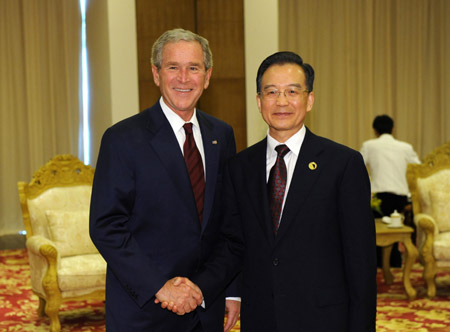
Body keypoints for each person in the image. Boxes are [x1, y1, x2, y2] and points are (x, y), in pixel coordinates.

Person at [169, 51, 376, 331]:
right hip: (262, 317)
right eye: (271, 92)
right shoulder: (240, 167)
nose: (281, 102)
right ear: (258, 101)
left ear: (310, 99)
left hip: (325, 319)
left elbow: (360, 261)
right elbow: (233, 244)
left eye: (292, 91)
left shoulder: (343, 164)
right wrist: (204, 287)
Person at [89, 28, 240, 332]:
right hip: (144, 309)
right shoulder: (122, 139)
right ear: (156, 74)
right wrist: (160, 286)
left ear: (207, 76)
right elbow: (106, 226)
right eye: (173, 67)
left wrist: (230, 288)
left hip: (205, 305)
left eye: (193, 68)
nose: (183, 78)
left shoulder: (221, 135)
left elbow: (229, 222)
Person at [360, 114, 420, 267]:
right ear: (393, 129)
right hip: (400, 197)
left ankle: (379, 264)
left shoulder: (369, 145)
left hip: (377, 197)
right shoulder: (406, 147)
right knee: (395, 227)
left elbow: (358, 168)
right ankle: (394, 262)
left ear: (374, 130)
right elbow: (418, 169)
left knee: (376, 231)